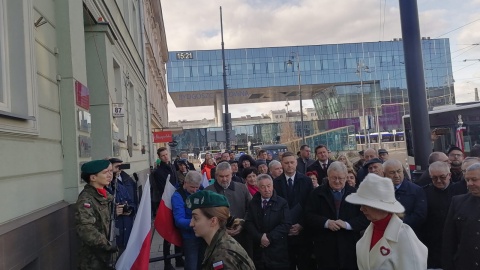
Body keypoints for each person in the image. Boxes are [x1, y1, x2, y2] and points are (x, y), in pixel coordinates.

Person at [345, 173, 427, 270]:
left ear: (381, 207)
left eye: (365, 205)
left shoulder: (404, 235)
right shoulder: (369, 232)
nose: (361, 209)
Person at [306, 161, 369, 270]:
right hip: (325, 246)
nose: (337, 181)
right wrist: (326, 223)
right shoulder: (316, 194)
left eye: (341, 178)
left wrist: (347, 224)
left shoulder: (356, 194)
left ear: (346, 177)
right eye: (333, 178)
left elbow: (365, 218)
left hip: (350, 246)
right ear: (328, 176)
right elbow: (308, 216)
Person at [187, 190, 256, 270]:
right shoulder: (218, 243)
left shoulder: (222, 256)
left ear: (213, 221)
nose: (191, 224)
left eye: (196, 218)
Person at [274, 152, 314, 270]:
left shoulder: (306, 181)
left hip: (303, 232)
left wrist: (301, 225)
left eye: (292, 162)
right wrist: (286, 226)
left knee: (305, 264)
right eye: (286, 163)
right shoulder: (275, 183)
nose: (289, 165)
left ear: (296, 163)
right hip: (284, 234)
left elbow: (310, 205)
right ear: (282, 164)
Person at [75, 160, 118, 270]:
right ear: (93, 178)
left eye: (110, 171)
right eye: (105, 172)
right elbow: (86, 229)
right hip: (94, 260)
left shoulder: (105, 195)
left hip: (108, 256)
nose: (110, 175)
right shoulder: (86, 199)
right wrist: (108, 245)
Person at [205, 162, 253, 256]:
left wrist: (242, 224)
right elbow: (205, 216)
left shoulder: (242, 188)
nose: (224, 179)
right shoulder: (207, 192)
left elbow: (251, 209)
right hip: (218, 240)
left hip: (242, 236)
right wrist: (221, 230)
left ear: (231, 174)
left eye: (227, 176)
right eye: (221, 176)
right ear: (216, 175)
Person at [245, 174, 291, 270]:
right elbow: (249, 222)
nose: (267, 189)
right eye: (263, 187)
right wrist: (260, 237)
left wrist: (269, 238)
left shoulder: (282, 202)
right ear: (258, 188)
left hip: (278, 250)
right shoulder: (253, 203)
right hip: (259, 250)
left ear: (272, 185)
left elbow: (286, 224)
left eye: (269, 186)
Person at [442, 163, 480, 269]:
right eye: (467, 180)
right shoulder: (458, 202)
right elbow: (449, 240)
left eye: (474, 179)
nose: (469, 184)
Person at [150, 147, 183, 269]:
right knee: (168, 233)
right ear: (159, 157)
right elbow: (163, 188)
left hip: (176, 201)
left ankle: (179, 258)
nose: (165, 157)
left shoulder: (172, 166)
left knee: (178, 230)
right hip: (167, 203)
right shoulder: (158, 172)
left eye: (166, 154)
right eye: (162, 155)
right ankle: (167, 262)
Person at [420, 161, 456, 269]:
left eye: (442, 177)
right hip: (433, 243)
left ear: (449, 175)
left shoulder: (459, 191)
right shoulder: (424, 193)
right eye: (434, 178)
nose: (438, 181)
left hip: (455, 241)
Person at [172, 171, 205, 270]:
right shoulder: (178, 196)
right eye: (192, 187)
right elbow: (179, 220)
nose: (195, 190)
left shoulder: (200, 193)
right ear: (185, 183)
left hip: (203, 234)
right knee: (191, 266)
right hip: (190, 236)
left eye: (197, 187)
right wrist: (197, 223)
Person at [383, 159, 427, 233]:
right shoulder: (381, 190)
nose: (396, 175)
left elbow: (420, 215)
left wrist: (398, 224)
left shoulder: (416, 190)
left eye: (399, 171)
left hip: (409, 233)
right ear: (384, 174)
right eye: (392, 173)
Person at [107, 158, 137, 255]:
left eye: (121, 166)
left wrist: (130, 209)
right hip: (113, 233)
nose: (119, 169)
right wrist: (114, 212)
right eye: (116, 167)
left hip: (126, 228)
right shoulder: (105, 188)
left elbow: (133, 202)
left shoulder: (124, 182)